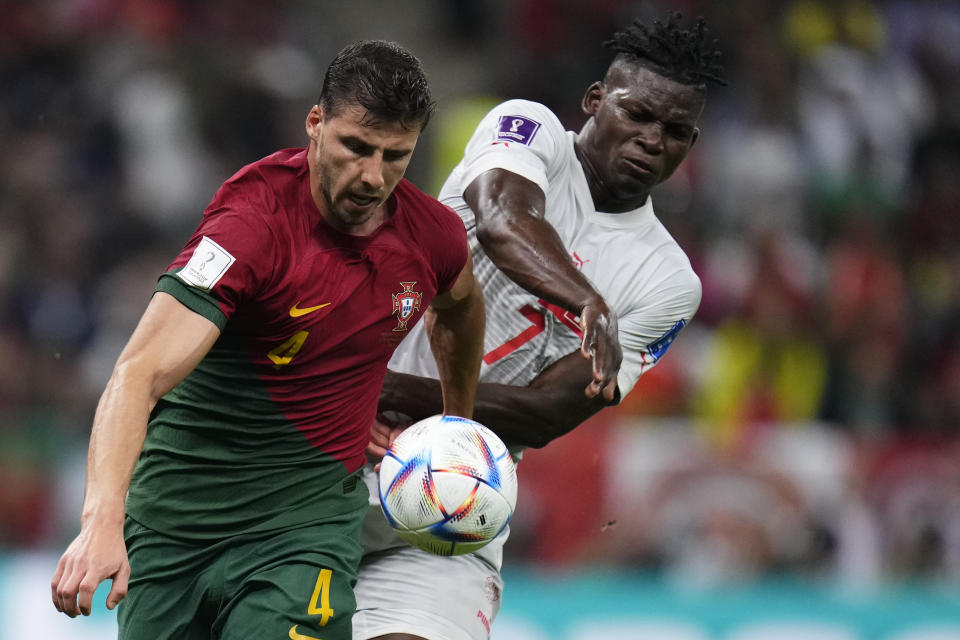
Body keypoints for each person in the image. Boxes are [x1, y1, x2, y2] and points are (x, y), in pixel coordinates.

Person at [50, 40, 486, 640]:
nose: (372, 176)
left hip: (304, 529)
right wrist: (101, 519)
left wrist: (454, 426)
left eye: (395, 156)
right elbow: (138, 373)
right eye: (355, 147)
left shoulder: (431, 236)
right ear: (315, 123)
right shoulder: (250, 228)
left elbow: (460, 305)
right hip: (176, 522)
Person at [352, 13, 725, 640]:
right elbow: (501, 219)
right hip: (337, 443)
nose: (652, 140)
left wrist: (387, 393)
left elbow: (549, 412)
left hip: (452, 496)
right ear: (595, 101)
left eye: (676, 131)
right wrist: (586, 299)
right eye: (637, 115)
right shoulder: (530, 130)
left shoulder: (668, 281)